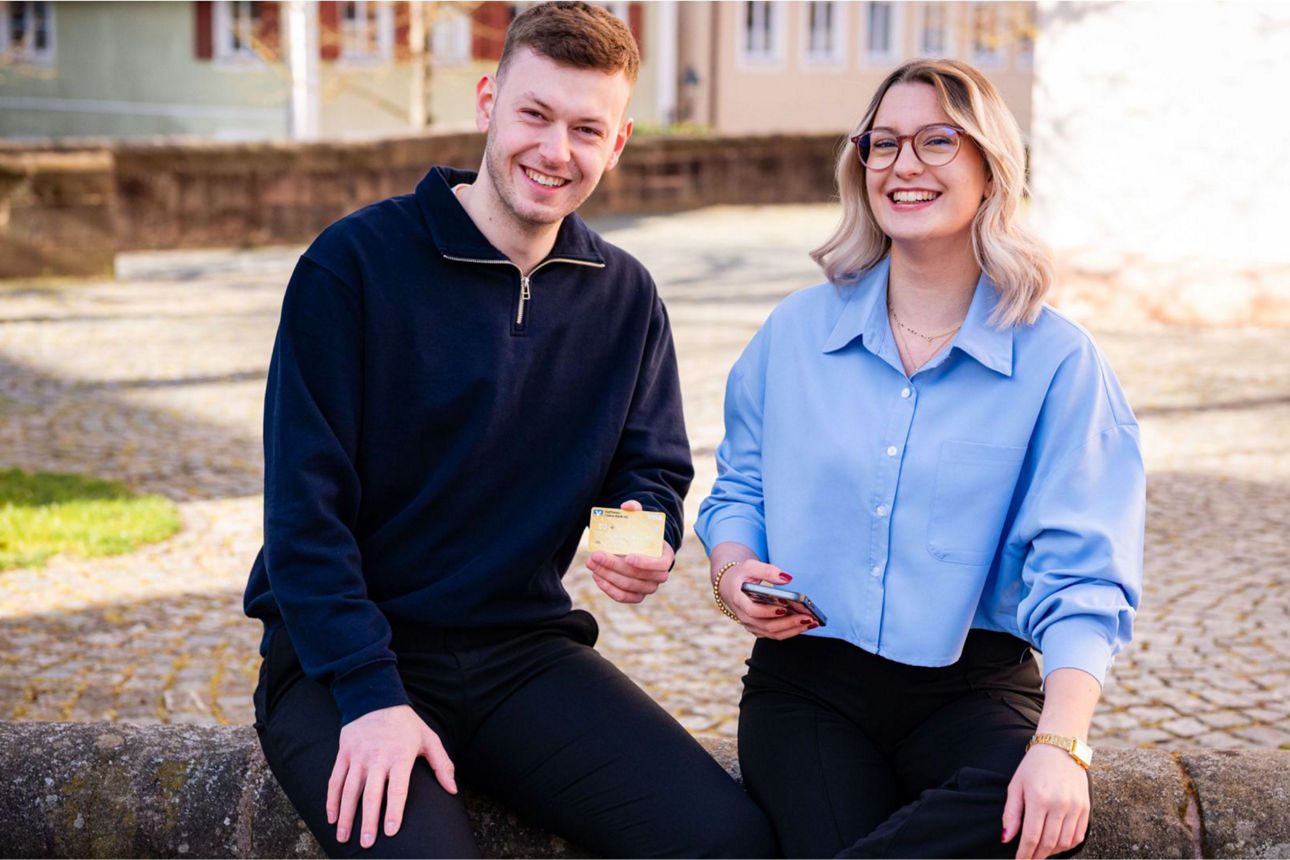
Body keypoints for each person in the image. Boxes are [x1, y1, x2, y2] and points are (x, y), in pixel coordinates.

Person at [243, 3, 774, 856]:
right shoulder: (352, 266)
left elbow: (649, 465)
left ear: (620, 141)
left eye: (586, 128)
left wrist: (635, 536)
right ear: (489, 101)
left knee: (726, 842)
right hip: (341, 659)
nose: (555, 151)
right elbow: (305, 514)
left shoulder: (625, 296)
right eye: (535, 113)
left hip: (520, 653)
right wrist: (372, 696)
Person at [696, 59, 1145, 860]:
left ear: (989, 167)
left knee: (1026, 814)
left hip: (974, 685)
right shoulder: (796, 334)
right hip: (809, 685)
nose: (905, 165)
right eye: (884, 144)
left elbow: (1083, 577)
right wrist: (734, 573)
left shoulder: (1059, 362)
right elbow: (740, 488)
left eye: (939, 141)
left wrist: (1063, 746)